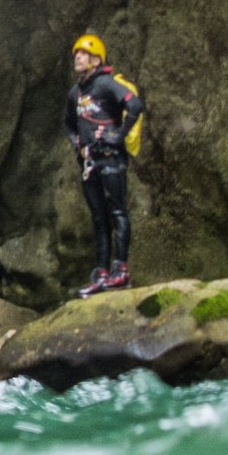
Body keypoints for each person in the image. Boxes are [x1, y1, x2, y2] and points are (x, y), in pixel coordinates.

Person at [64, 32, 144, 296]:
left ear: (96, 59)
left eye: (84, 54)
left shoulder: (106, 84)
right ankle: (101, 271)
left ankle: (120, 270)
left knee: (117, 213)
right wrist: (78, 145)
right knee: (99, 219)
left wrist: (118, 136)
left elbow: (134, 104)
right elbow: (68, 123)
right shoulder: (76, 92)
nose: (78, 57)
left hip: (111, 159)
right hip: (89, 162)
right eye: (76, 53)